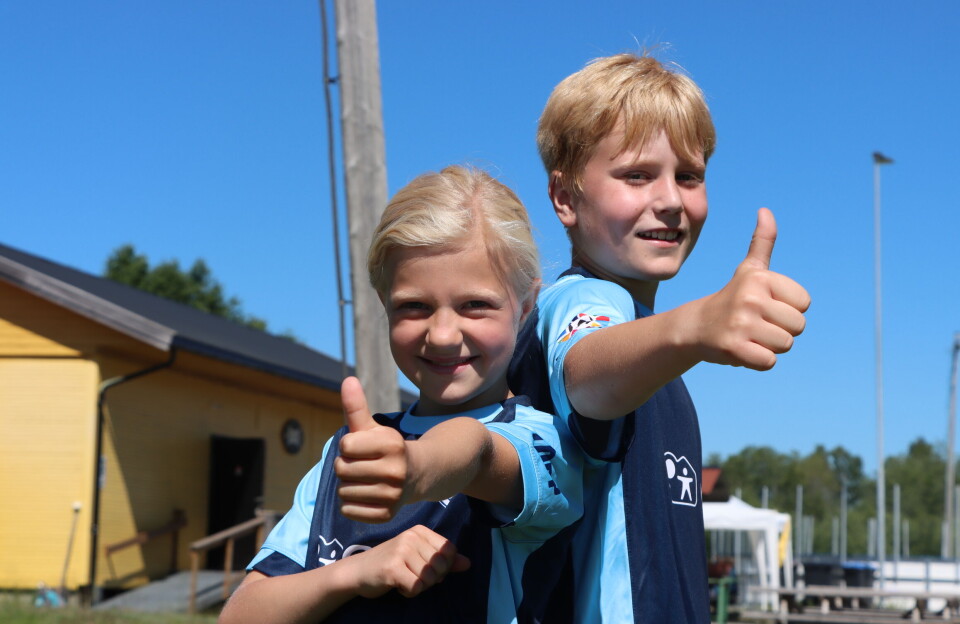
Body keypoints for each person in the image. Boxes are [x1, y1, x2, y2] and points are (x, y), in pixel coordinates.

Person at [507, 53, 811, 623]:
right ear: (565, 198)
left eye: (689, 176)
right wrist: (695, 327)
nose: (671, 200)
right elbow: (586, 373)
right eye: (637, 175)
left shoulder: (660, 368)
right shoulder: (580, 303)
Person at [219, 165, 581, 624]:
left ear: (526, 306)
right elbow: (239, 615)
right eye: (414, 306)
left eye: (475, 305)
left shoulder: (548, 441)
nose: (444, 335)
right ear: (384, 303)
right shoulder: (346, 456)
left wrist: (417, 468)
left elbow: (479, 451)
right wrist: (355, 571)